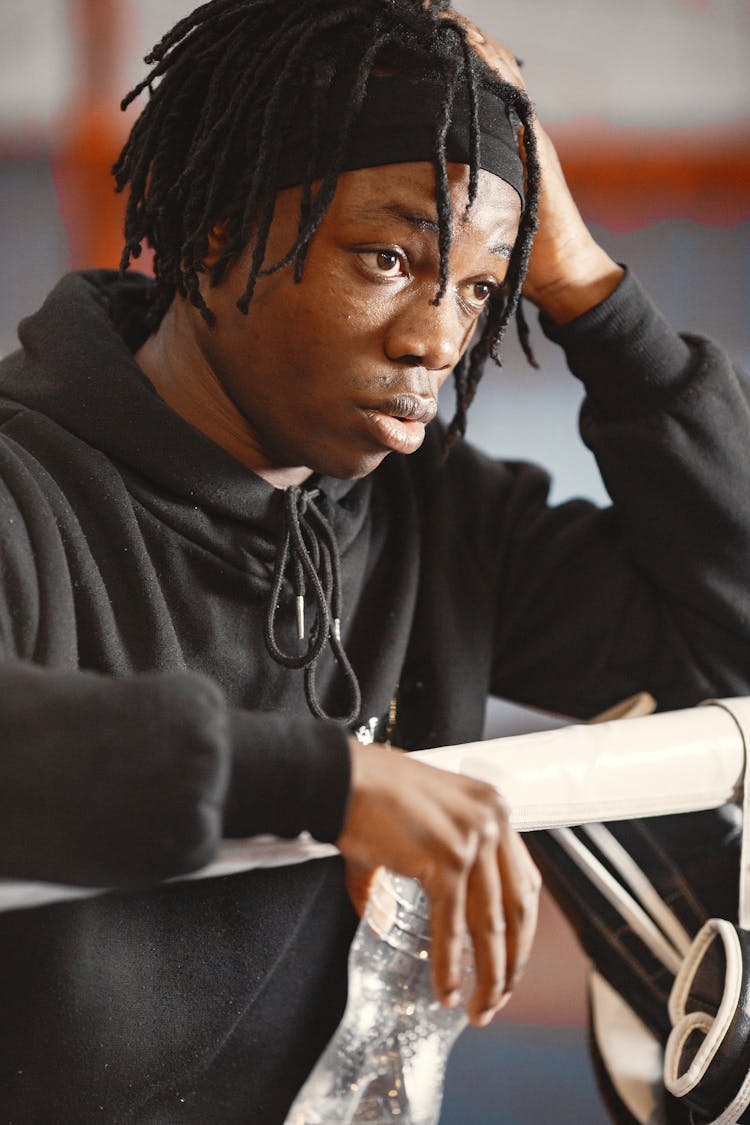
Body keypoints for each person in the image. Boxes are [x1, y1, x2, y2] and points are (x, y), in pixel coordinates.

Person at [0, 1, 748, 1121]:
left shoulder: (438, 514)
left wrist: (591, 289)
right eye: (390, 258)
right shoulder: (25, 490)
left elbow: (730, 635)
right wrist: (331, 782)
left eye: (483, 287)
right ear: (217, 233)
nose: (439, 338)